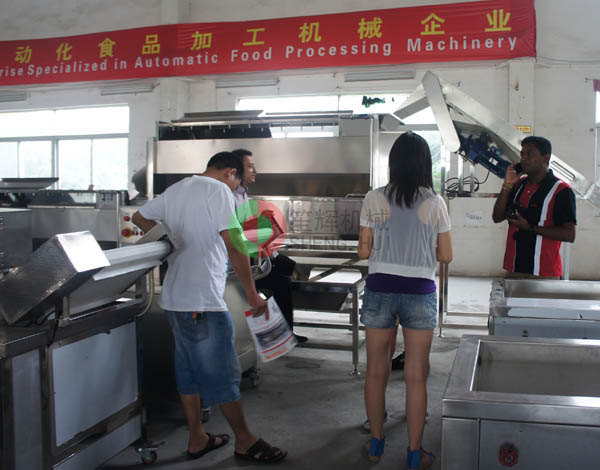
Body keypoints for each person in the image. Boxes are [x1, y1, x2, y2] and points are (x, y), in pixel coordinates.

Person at [132, 151, 287, 464]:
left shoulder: (177, 189)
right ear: (231, 173)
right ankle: (245, 441)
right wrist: (252, 293)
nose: (237, 187)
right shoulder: (219, 190)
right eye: (239, 181)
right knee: (223, 374)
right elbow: (234, 244)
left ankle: (197, 438)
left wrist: (171, 240)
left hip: (175, 300)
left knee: (188, 371)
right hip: (201, 301)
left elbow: (138, 217)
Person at [357, 132, 452, 468]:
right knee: (416, 375)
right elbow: (446, 256)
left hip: (380, 288)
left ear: (393, 163)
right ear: (425, 163)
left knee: (375, 371)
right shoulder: (435, 202)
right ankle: (414, 453)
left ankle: (376, 444)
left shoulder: (374, 198)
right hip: (420, 292)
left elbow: (364, 251)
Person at [231, 148, 308, 343]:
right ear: (236, 170)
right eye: (250, 166)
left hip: (251, 253)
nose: (255, 170)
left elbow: (244, 229)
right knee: (281, 280)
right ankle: (280, 334)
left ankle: (282, 329)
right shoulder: (228, 196)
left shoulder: (242, 194)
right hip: (238, 260)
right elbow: (235, 236)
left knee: (287, 266)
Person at [492, 136, 576, 278]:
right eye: (522, 154)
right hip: (514, 269)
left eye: (529, 154)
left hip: (544, 272)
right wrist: (507, 185)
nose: (524, 158)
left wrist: (530, 227)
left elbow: (569, 235)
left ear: (545, 158)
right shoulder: (518, 185)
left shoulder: (561, 190)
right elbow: (497, 217)